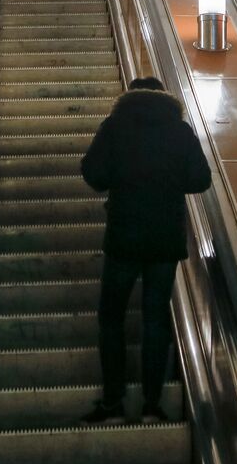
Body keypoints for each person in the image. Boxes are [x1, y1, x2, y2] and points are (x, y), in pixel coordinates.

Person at [80, 77, 212, 424]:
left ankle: (112, 402)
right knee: (155, 319)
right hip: (164, 241)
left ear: (130, 96)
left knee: (112, 318)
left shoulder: (116, 126)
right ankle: (152, 405)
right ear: (164, 97)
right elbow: (200, 179)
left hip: (124, 238)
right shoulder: (179, 131)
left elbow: (94, 175)